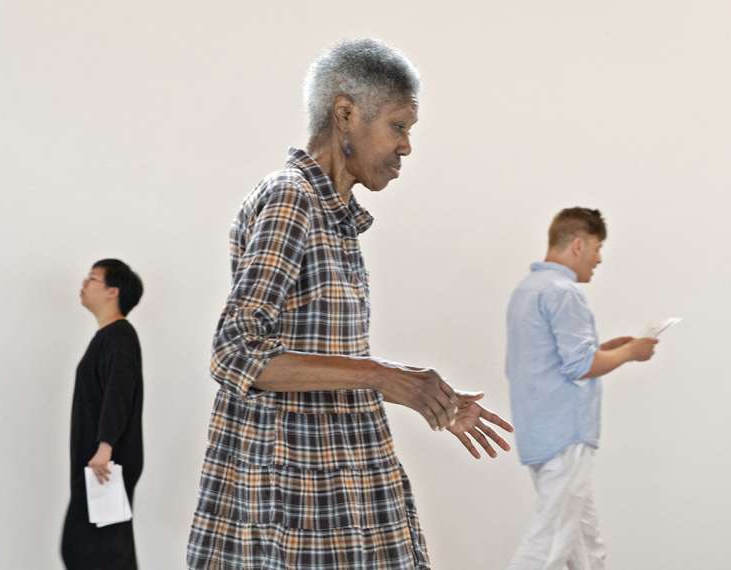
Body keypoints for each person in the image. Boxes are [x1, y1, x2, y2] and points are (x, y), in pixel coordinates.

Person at [187, 38, 514, 569]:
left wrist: (420, 390)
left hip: (340, 480)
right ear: (345, 114)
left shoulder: (333, 216)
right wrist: (383, 375)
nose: (406, 146)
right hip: (294, 492)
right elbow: (234, 351)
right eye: (398, 126)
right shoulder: (291, 199)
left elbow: (322, 356)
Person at [505, 208, 658, 569]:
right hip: (565, 434)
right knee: (550, 542)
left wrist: (606, 350)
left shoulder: (527, 291)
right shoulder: (562, 292)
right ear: (578, 245)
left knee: (585, 544)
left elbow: (550, 362)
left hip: (540, 430)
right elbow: (580, 366)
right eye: (597, 247)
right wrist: (631, 352)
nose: (599, 258)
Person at [61, 259, 144, 570]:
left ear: (113, 291)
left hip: (106, 466)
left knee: (100, 553)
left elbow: (119, 392)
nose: (84, 283)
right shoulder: (108, 337)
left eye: (92, 278)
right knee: (93, 550)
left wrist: (106, 446)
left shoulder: (120, 336)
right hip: (98, 463)